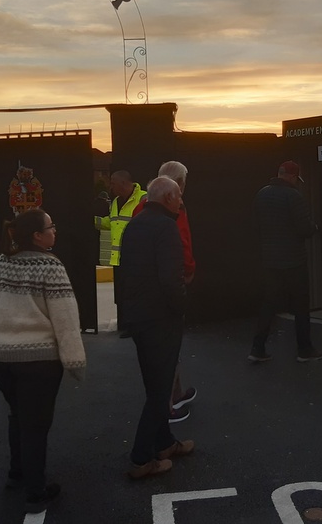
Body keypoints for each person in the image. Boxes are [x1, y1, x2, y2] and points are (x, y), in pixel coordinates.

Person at [0, 209, 86, 514]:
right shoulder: (50, 266)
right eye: (51, 227)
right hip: (38, 362)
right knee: (36, 425)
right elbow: (65, 319)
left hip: (0, 359)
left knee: (17, 415)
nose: (55, 231)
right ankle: (36, 492)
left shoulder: (2, 262)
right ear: (38, 236)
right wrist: (75, 361)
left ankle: (17, 473)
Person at [120, 176, 194, 479]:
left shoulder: (133, 225)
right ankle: (140, 459)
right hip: (161, 319)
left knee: (155, 385)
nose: (181, 202)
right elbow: (171, 278)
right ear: (167, 198)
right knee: (160, 391)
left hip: (138, 318)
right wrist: (182, 307)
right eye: (178, 197)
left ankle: (164, 444)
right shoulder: (166, 227)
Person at [248, 160, 322, 363]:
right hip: (294, 260)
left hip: (269, 260)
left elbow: (255, 226)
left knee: (268, 303)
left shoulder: (262, 194)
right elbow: (304, 228)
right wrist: (315, 227)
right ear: (291, 176)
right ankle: (304, 349)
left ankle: (257, 348)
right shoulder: (293, 196)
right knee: (301, 305)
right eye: (296, 179)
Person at [156, 160, 197, 423]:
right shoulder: (175, 208)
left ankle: (177, 392)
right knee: (170, 343)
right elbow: (183, 243)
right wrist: (189, 270)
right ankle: (168, 405)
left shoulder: (142, 206)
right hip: (172, 282)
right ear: (179, 183)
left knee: (164, 344)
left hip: (150, 286)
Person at [94, 170, 147, 338]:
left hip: (136, 259)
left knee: (135, 295)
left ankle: (137, 326)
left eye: (113, 183)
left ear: (123, 183)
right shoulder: (116, 202)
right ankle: (126, 325)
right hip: (118, 260)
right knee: (122, 295)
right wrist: (93, 221)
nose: (111, 187)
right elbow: (112, 223)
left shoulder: (143, 198)